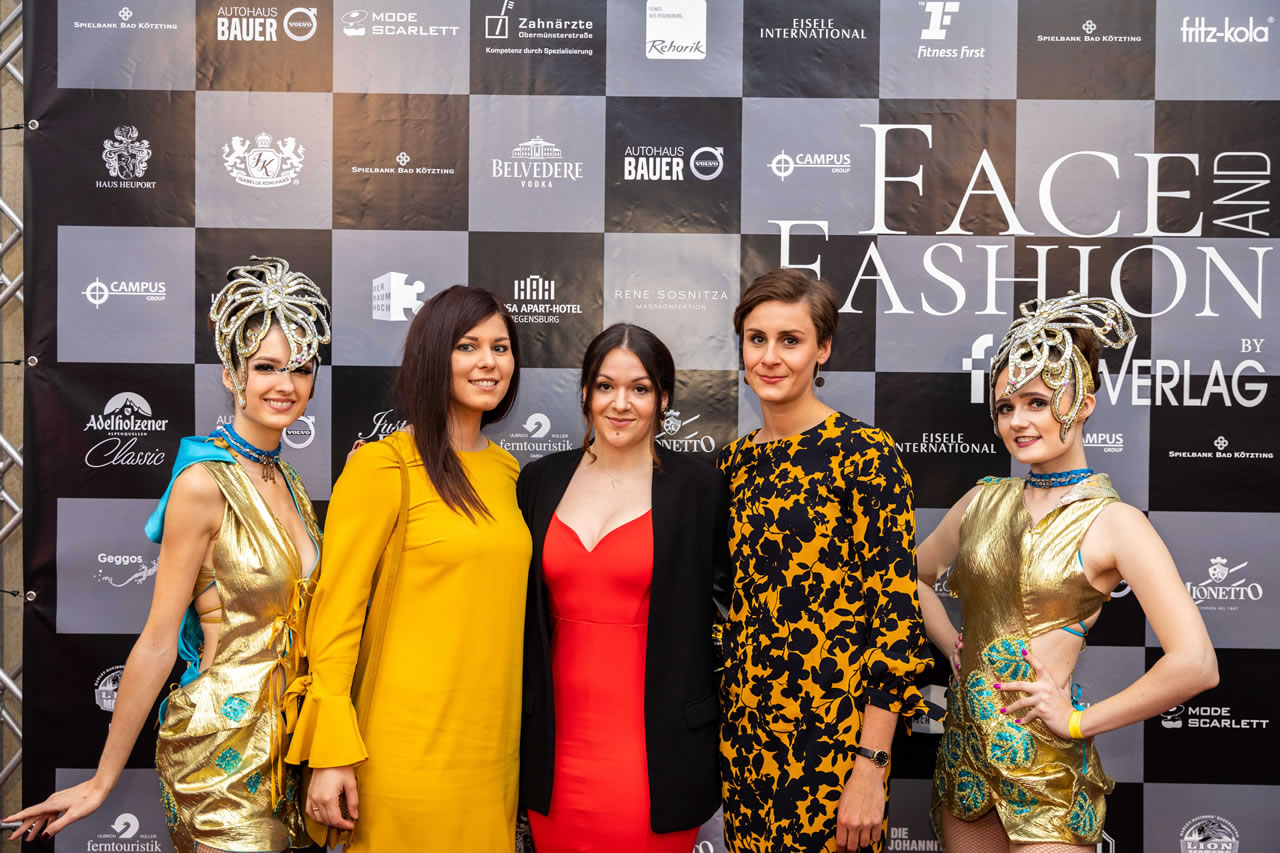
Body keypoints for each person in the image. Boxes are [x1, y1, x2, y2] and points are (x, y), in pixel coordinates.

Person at [6, 257, 332, 852]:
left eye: (300, 368)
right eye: (265, 366)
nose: (284, 384)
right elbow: (158, 641)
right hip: (222, 744)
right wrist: (102, 781)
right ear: (231, 374)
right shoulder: (203, 483)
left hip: (292, 746)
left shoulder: (287, 481)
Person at [917, 294, 1219, 852]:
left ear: (1083, 404)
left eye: (1036, 402)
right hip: (964, 760)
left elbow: (1196, 664)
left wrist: (1080, 722)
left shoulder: (1116, 522)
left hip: (1048, 773)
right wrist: (950, 644)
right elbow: (911, 577)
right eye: (1005, 406)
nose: (1017, 421)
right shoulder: (980, 502)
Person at [287, 285, 532, 851]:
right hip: (404, 751)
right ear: (432, 356)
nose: (489, 362)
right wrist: (332, 752)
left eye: (500, 347)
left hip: (493, 753)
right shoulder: (383, 466)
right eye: (467, 346)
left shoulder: (508, 471)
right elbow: (336, 614)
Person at [719, 269, 933, 853]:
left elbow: (896, 621)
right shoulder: (732, 465)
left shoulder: (864, 454)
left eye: (790, 340)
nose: (769, 357)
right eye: (756, 338)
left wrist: (870, 766)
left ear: (823, 349)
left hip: (834, 752)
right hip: (745, 746)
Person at [517, 323, 730, 852]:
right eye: (605, 386)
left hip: (657, 750)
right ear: (585, 392)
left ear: (664, 399)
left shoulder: (700, 488)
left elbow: (731, 610)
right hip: (553, 747)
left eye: (640, 388)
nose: (620, 403)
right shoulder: (539, 481)